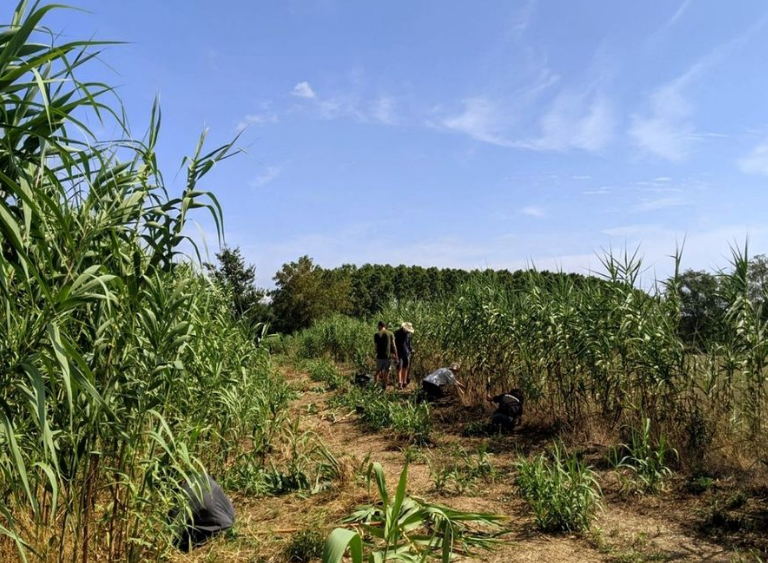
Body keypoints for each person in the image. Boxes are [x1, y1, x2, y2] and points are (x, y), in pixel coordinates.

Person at [170, 475, 235, 551]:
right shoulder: (203, 477)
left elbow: (174, 528)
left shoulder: (177, 504)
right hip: (222, 519)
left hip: (215, 519)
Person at [373, 321, 397, 390]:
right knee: (387, 371)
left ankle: (375, 386)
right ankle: (384, 387)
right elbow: (394, 346)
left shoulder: (376, 334)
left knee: (377, 371)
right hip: (388, 356)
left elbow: (376, 347)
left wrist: (376, 354)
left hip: (379, 356)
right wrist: (396, 354)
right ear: (385, 326)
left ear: (380, 326)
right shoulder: (390, 333)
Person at [394, 322, 414, 390]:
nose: (408, 331)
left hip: (406, 353)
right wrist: (394, 353)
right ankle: (400, 383)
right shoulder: (396, 333)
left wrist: (411, 349)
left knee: (405, 367)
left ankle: (404, 382)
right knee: (399, 368)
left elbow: (408, 344)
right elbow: (393, 344)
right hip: (398, 353)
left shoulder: (408, 335)